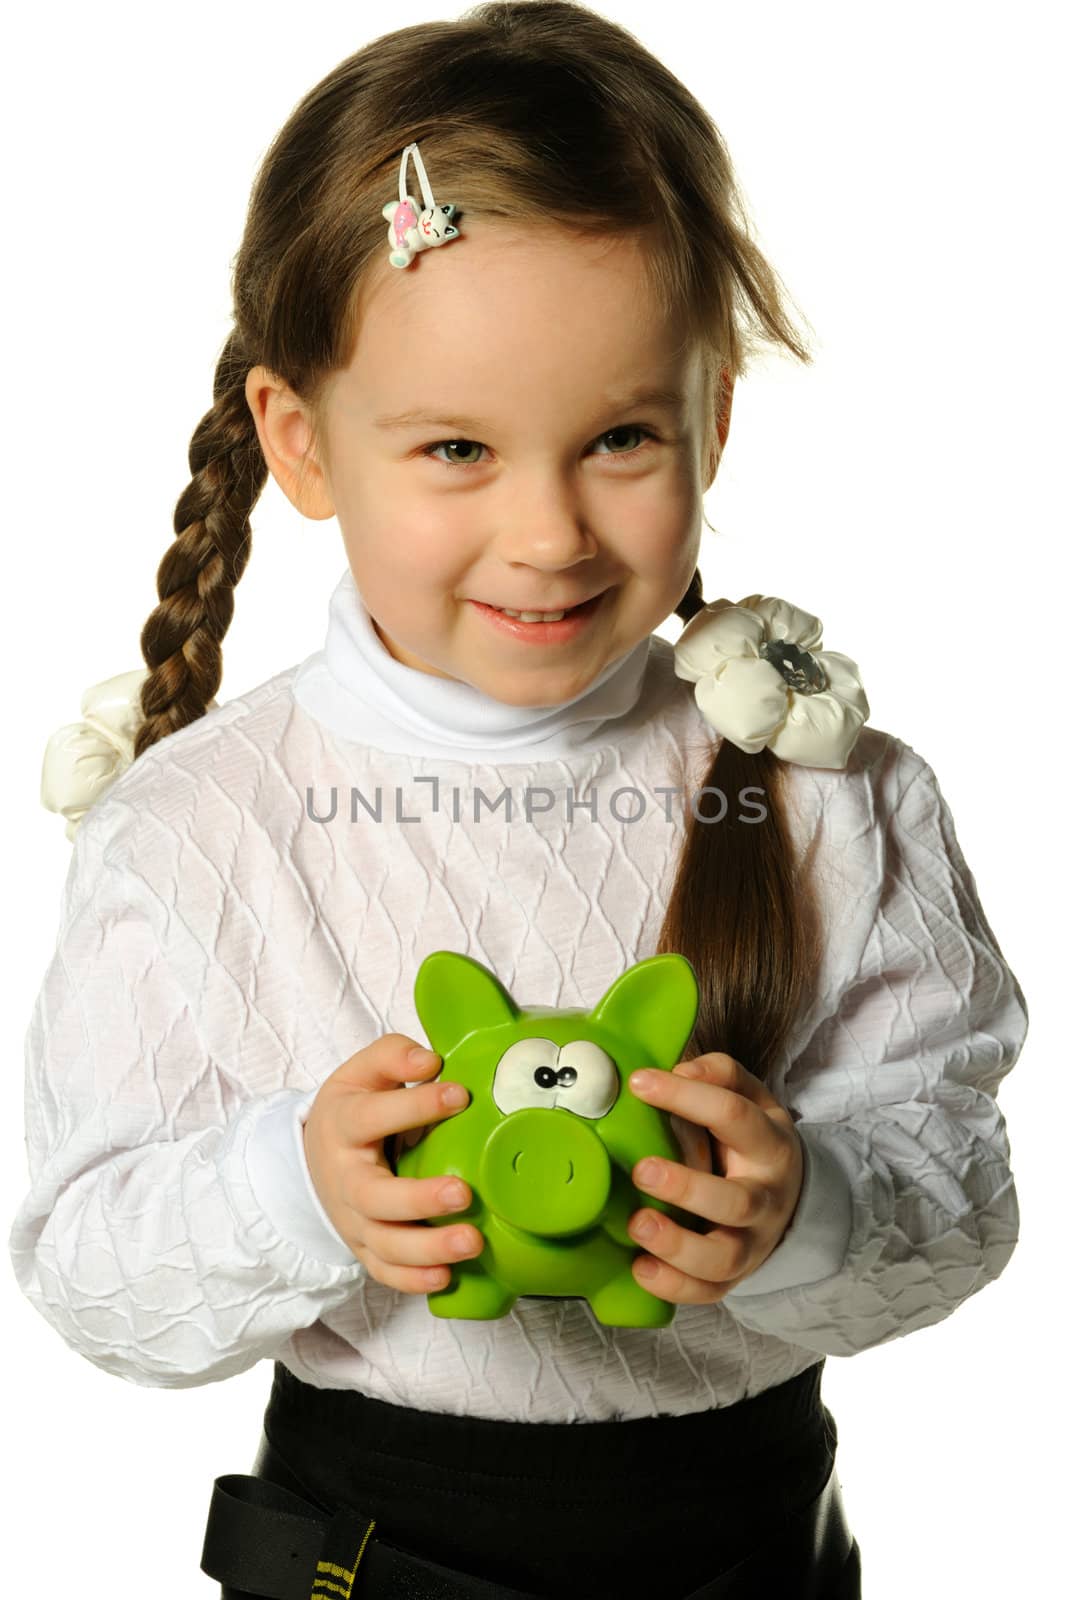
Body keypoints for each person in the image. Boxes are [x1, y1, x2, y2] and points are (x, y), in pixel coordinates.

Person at [9, 3, 1028, 1597]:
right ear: (303, 440)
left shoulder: (831, 796)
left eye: (620, 435)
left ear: (714, 414)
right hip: (362, 1552)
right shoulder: (203, 822)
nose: (548, 532)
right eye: (458, 448)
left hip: (744, 1546)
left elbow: (960, 1198)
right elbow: (85, 1272)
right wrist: (299, 1185)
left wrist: (807, 1207)